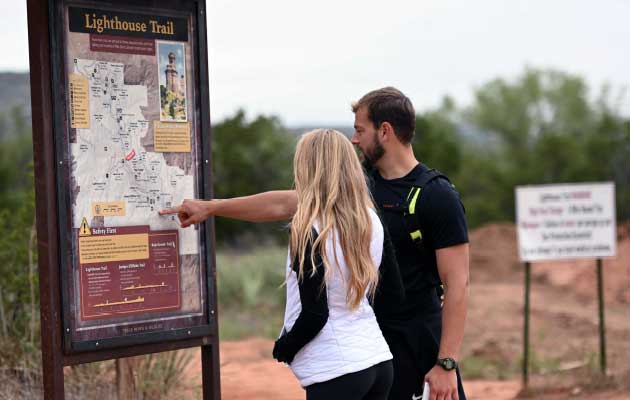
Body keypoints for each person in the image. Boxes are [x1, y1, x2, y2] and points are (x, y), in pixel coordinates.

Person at [160, 88, 470, 400]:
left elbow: (458, 283)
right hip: (372, 345)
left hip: (417, 344)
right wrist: (212, 207)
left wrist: (446, 362)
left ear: (385, 131)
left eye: (360, 130)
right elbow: (283, 204)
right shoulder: (359, 188)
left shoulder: (436, 196)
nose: (354, 139)